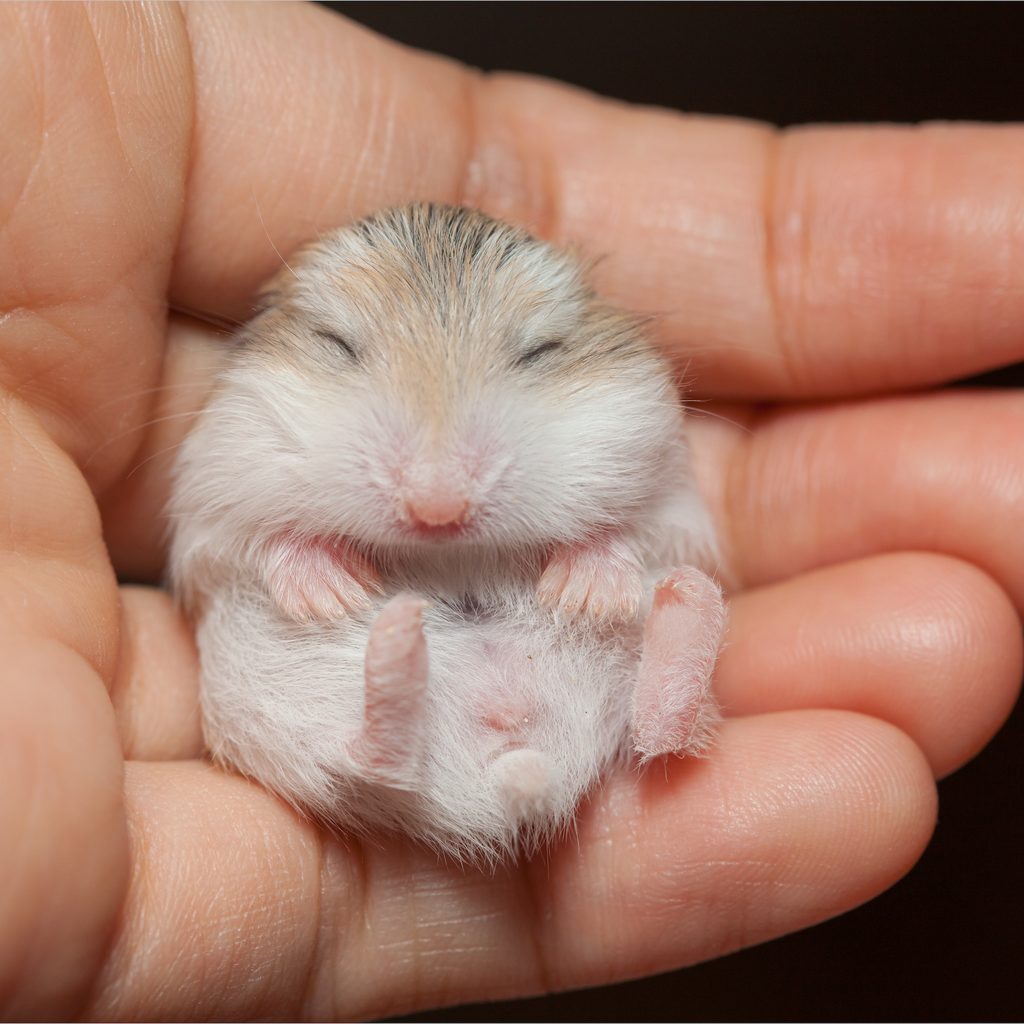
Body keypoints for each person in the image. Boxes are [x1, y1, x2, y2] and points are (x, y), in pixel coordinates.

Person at [2, 4, 1021, 1019]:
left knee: (641, 586)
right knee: (242, 669)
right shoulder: (240, 420)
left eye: (532, 356)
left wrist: (605, 546)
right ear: (288, 339)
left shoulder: (628, 411)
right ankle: (377, 743)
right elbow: (211, 545)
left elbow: (664, 501)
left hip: (557, 690)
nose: (436, 496)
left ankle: (664, 691)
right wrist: (278, 556)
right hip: (352, 697)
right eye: (346, 352)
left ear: (578, 344)